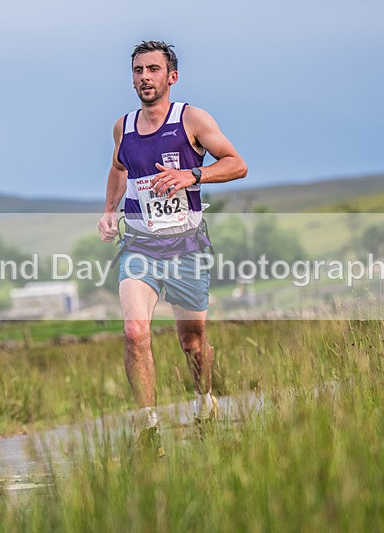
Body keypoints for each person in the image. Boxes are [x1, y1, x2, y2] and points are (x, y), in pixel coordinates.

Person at [98, 41, 247, 457]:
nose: (144, 77)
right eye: (137, 70)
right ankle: (148, 431)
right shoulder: (122, 127)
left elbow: (237, 163)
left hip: (186, 247)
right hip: (140, 245)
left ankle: (205, 404)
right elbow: (118, 168)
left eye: (152, 69)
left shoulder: (191, 119)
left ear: (171, 77)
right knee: (134, 331)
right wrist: (109, 211)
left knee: (192, 341)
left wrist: (191, 175)